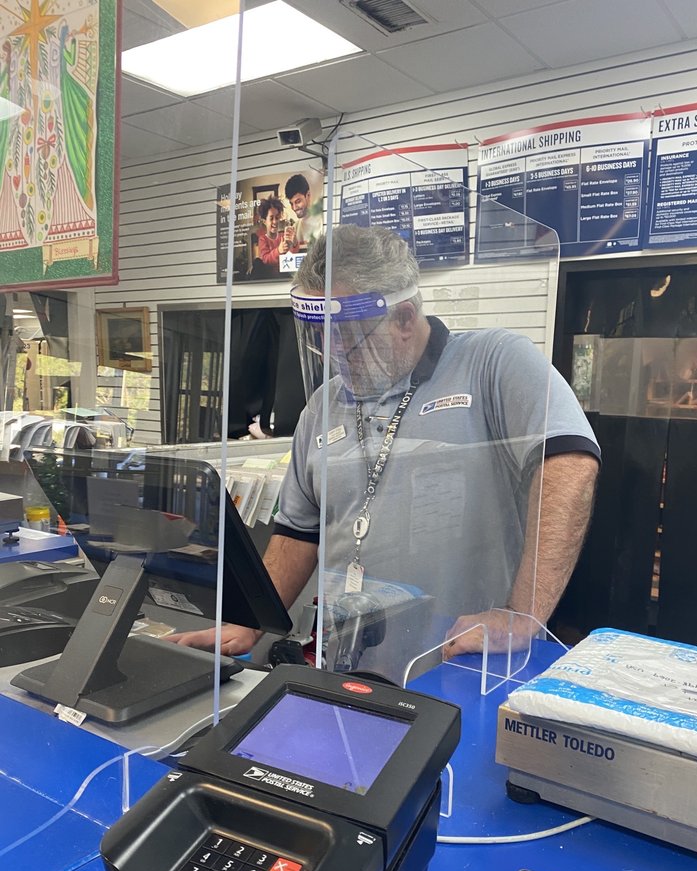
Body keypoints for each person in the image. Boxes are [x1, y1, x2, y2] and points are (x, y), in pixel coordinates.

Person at [169, 225, 600, 669]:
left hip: (463, 661)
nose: (335, 353)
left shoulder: (494, 361)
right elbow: (298, 532)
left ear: (405, 319)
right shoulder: (323, 406)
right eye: (323, 335)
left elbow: (570, 463)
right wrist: (251, 621)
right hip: (348, 660)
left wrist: (522, 614)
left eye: (349, 335)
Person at [283, 173, 322, 249]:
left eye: (298, 201)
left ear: (308, 195)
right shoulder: (295, 227)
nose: (294, 208)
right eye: (291, 203)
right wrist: (291, 245)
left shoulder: (323, 222)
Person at [255, 196, 290, 268]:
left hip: (284, 271)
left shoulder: (283, 236)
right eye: (271, 218)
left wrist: (294, 243)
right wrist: (278, 251)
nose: (275, 221)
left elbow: (293, 251)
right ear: (264, 221)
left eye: (277, 218)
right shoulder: (263, 239)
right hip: (268, 273)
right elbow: (265, 260)